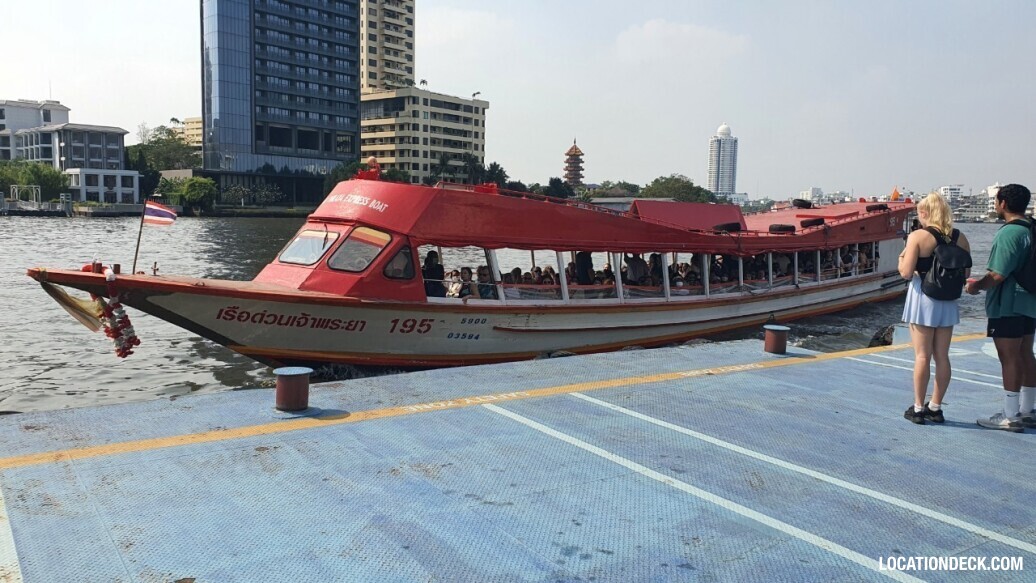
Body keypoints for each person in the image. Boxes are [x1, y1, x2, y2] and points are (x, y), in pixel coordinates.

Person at [965, 184, 1036, 431]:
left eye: (996, 200)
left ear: (1003, 203)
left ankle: (1010, 415)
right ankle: (1027, 410)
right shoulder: (1031, 228)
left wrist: (975, 286)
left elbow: (997, 275)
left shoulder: (1009, 234)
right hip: (1029, 301)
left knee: (1009, 358)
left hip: (1007, 304)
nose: (996, 204)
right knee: (1026, 353)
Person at [899, 192, 971, 424]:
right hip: (948, 300)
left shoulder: (918, 236)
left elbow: (906, 272)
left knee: (922, 355)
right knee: (942, 356)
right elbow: (966, 273)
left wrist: (902, 256)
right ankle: (936, 407)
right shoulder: (960, 238)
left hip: (923, 298)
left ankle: (918, 408)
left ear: (924, 213)